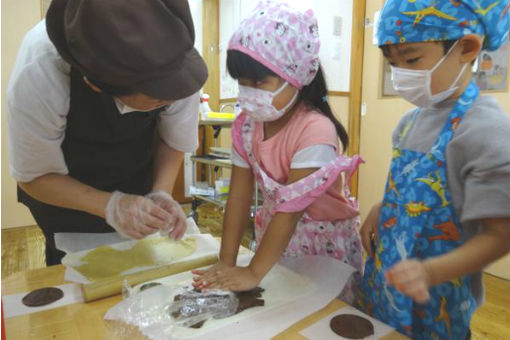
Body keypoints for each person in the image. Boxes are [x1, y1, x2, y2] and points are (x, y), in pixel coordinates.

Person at [6, 0, 208, 265]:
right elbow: (34, 175)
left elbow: (174, 140)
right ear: (96, 84)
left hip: (135, 176)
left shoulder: (174, 53)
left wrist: (161, 193)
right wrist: (110, 206)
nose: (172, 101)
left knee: (141, 269)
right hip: (63, 193)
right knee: (79, 275)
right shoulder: (41, 67)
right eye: (157, 99)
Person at [357, 1, 510, 339]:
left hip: (437, 302)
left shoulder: (488, 131)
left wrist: (430, 272)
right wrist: (384, 208)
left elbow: (501, 235)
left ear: (467, 48)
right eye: (392, 63)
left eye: (411, 60)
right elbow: (413, 190)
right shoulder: (408, 124)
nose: (400, 75)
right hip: (384, 290)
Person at [192, 1, 363, 302]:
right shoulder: (247, 126)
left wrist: (253, 272)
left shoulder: (316, 130)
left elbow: (290, 210)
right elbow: (239, 196)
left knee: (320, 320)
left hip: (324, 247)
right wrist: (227, 261)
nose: (248, 92)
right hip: (276, 242)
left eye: (259, 82)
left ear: (295, 75)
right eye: (242, 83)